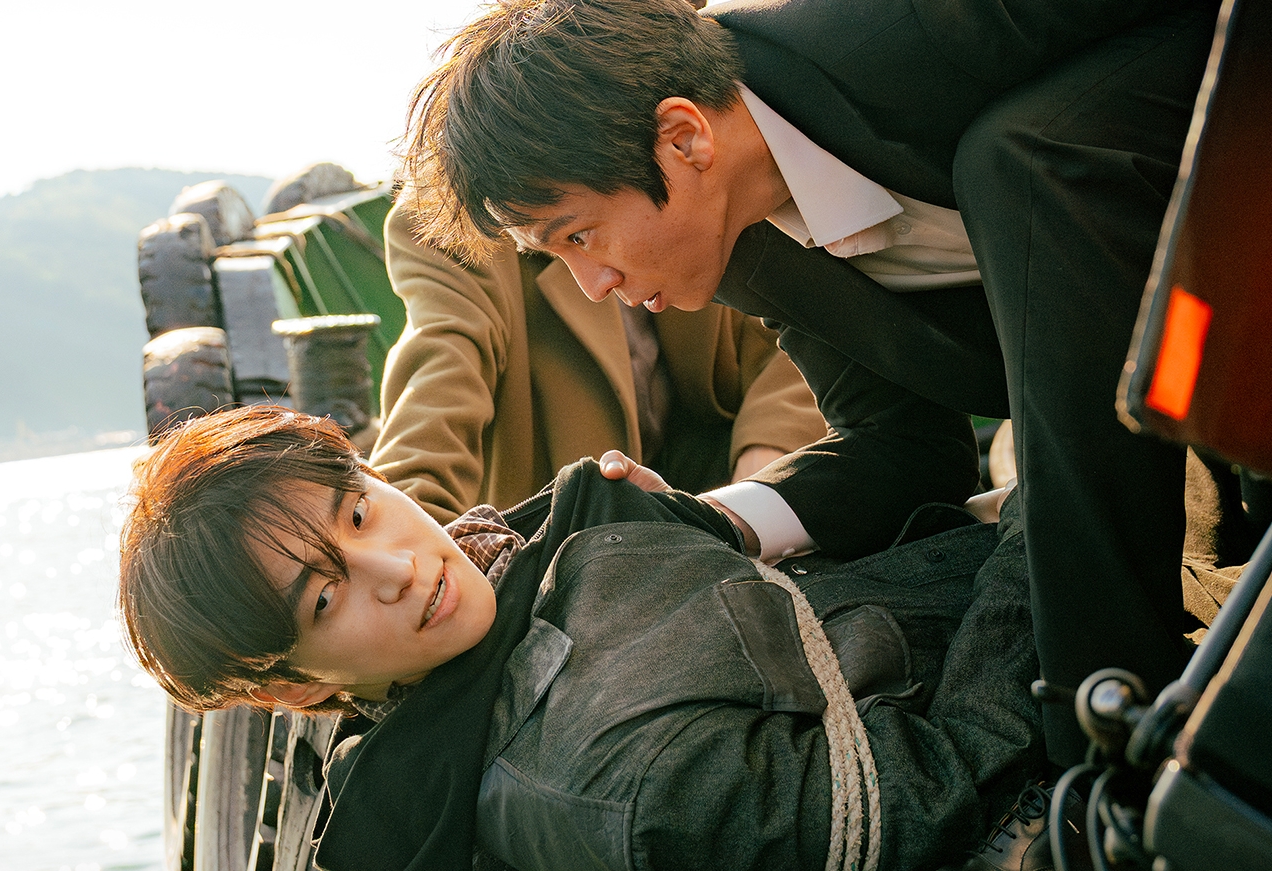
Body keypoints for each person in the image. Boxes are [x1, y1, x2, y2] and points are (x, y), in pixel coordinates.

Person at [398, 0, 1219, 792]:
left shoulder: (933, 22)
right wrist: (703, 521)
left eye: (580, 234)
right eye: (555, 255)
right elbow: (905, 443)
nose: (593, 283)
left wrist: (1094, 759)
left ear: (684, 138)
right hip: (1196, 412)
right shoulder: (746, 246)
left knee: (1019, 160)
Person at [119, 405, 1043, 871]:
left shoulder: (532, 554)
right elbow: (928, 792)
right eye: (326, 599)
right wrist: (1050, 517)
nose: (393, 566)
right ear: (293, 689)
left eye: (359, 511)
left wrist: (695, 523)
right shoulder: (603, 777)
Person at [369, 204, 826, 523]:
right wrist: (406, 528)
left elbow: (793, 333)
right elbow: (440, 375)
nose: (595, 287)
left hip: (720, 473)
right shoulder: (450, 226)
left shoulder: (672, 171)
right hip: (576, 535)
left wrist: (753, 482)